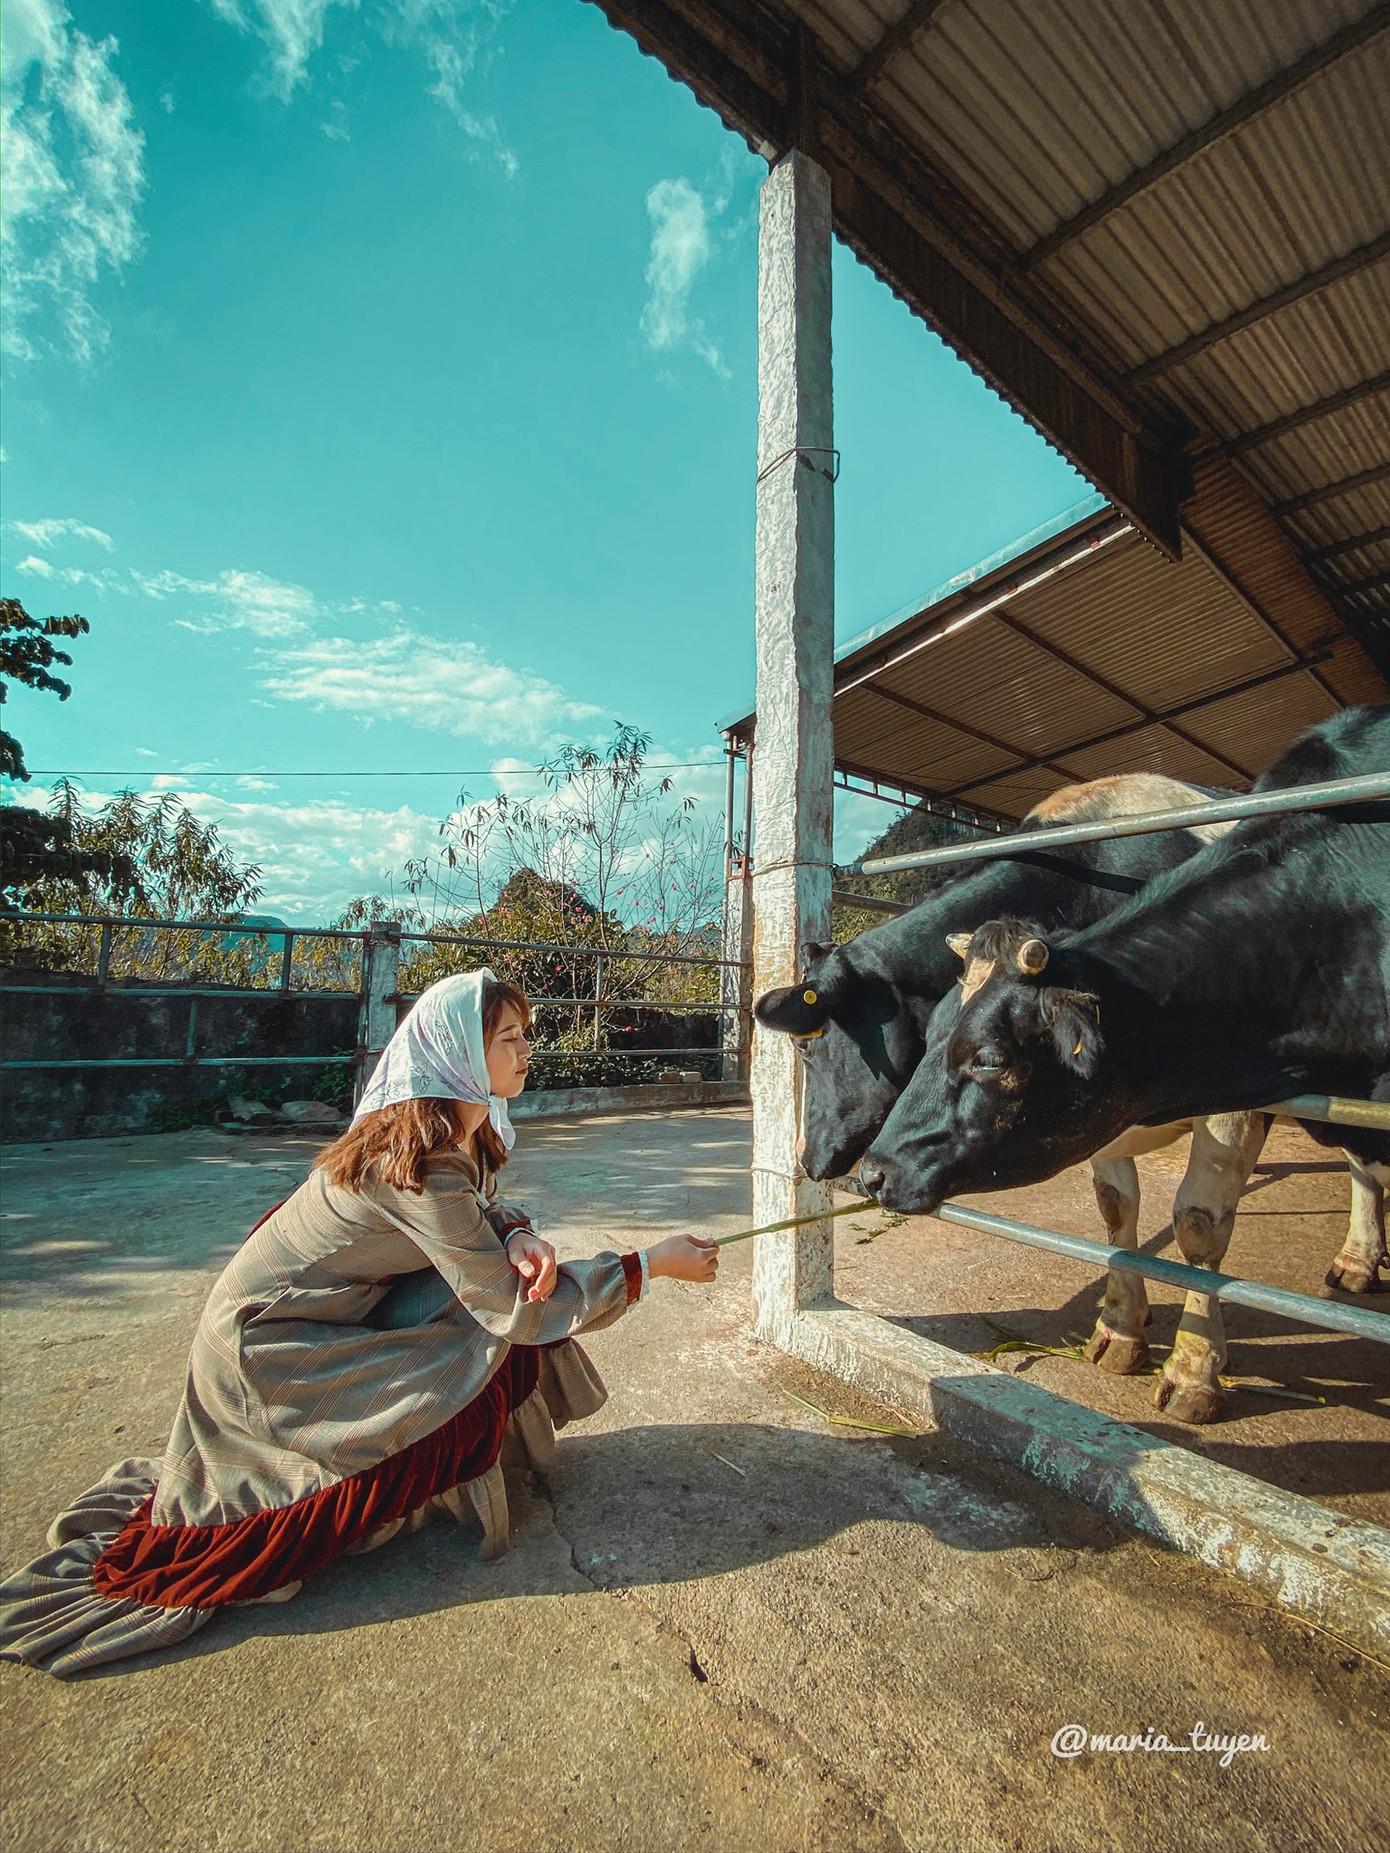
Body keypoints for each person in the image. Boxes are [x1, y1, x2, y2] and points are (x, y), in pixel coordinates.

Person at [0, 969, 717, 1677]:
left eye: (526, 1034)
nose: (527, 1049)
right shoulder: (424, 1160)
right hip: (266, 1344)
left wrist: (512, 1229)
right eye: (509, 1038)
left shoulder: (439, 1131)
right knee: (484, 1330)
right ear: (462, 1054)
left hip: (306, 1312)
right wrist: (647, 1265)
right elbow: (506, 1301)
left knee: (479, 1309)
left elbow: (467, 1221)